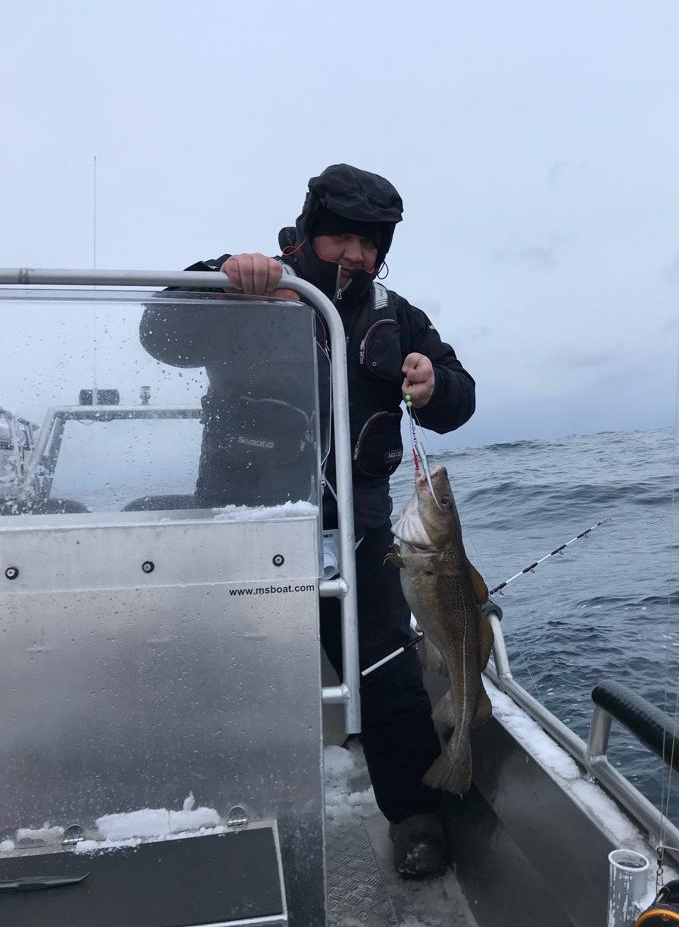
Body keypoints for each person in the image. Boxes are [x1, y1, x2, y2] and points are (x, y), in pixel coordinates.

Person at [144, 163, 476, 878]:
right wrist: (221, 281)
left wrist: (435, 383)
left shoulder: (398, 316)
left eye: (371, 243)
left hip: (358, 531)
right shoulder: (252, 283)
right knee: (228, 673)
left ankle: (416, 818)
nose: (357, 254)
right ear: (309, 231)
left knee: (389, 670)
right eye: (342, 238)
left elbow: (460, 399)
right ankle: (206, 816)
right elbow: (158, 332)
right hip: (246, 524)